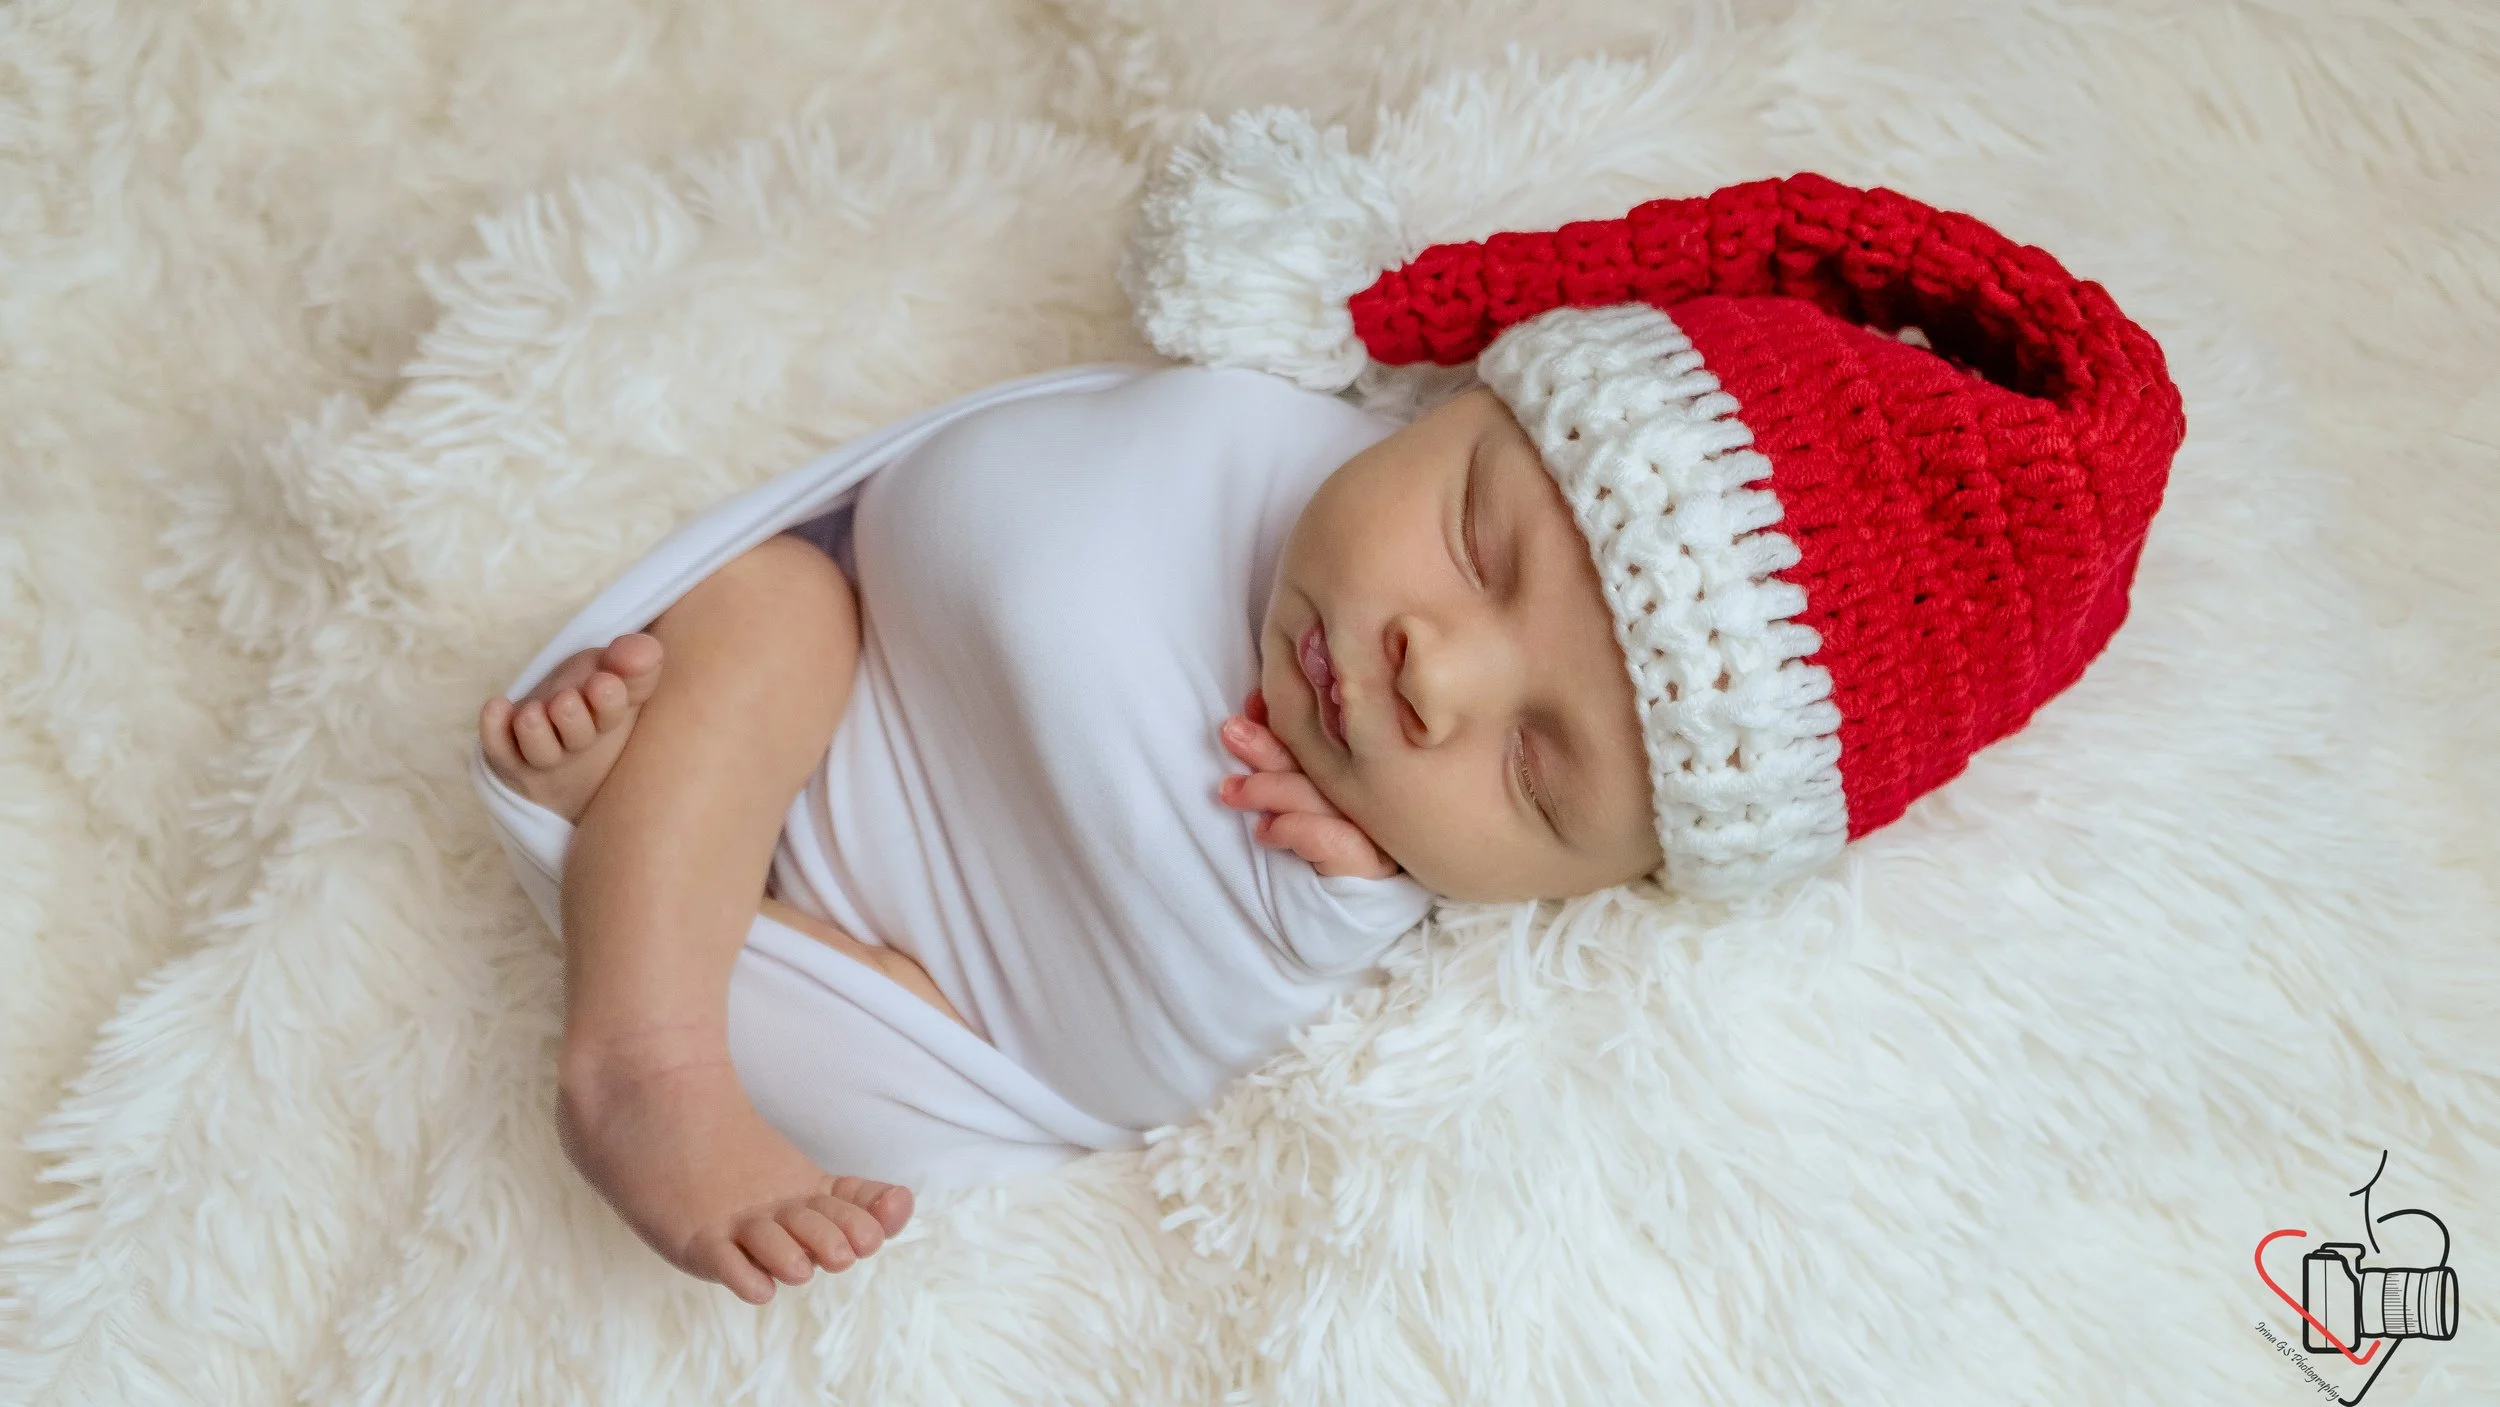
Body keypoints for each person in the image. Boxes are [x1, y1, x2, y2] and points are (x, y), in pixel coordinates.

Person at [472, 168, 2185, 1305]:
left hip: (943, 1015)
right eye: (1480, 546)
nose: (1437, 677)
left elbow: (1169, 1029)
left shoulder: (1363, 895)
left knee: (906, 1144)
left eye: (1535, 769)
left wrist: (1349, 881)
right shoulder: (1261, 411)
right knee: (773, 610)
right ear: (1471, 403)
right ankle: (650, 1039)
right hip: (864, 680)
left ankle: (650, 881)